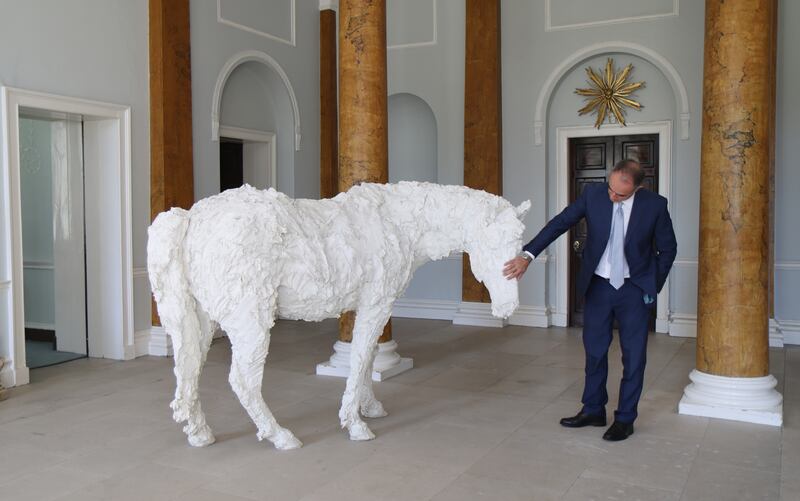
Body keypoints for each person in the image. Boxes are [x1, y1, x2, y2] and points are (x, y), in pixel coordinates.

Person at [504, 159, 677, 441]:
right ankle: (593, 409)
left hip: (634, 289)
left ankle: (625, 419)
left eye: (620, 194)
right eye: (610, 188)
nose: (612, 196)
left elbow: (668, 249)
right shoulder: (594, 194)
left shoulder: (655, 205)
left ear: (637, 187)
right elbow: (560, 223)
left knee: (634, 357)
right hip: (598, 286)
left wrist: (651, 284)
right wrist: (528, 255)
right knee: (594, 352)